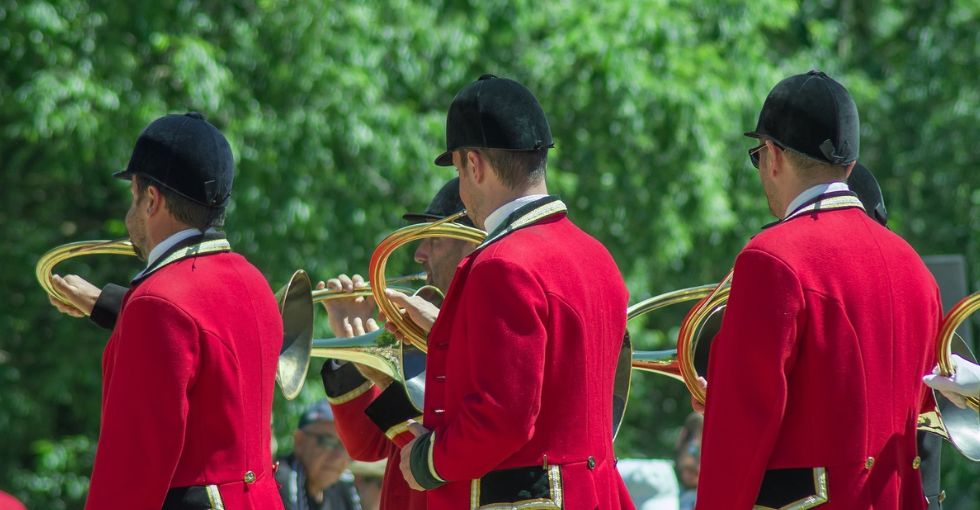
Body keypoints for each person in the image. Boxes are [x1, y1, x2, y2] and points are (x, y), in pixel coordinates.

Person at [694, 71, 943, 509]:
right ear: (849, 166)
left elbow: (742, 426)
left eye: (757, 157)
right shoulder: (915, 269)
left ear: (772, 155)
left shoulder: (770, 258)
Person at [385, 74, 634, 509]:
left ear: (474, 165)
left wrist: (429, 460)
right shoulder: (598, 257)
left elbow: (503, 416)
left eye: (459, 170)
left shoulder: (502, 264)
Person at [48, 113, 284, 509]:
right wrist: (114, 307)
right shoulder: (254, 282)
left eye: (133, 196)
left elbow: (131, 470)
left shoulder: (157, 301)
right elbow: (205, 339)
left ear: (151, 199)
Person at [318, 177, 477, 510]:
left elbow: (451, 438)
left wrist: (385, 380)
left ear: (472, 243)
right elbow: (367, 446)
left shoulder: (483, 328)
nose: (419, 254)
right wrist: (350, 339)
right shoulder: (429, 321)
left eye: (434, 239)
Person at [275, 400, 360, 510]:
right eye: (328, 441)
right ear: (299, 441)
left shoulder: (343, 484)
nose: (339, 457)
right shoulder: (281, 482)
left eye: (347, 445)